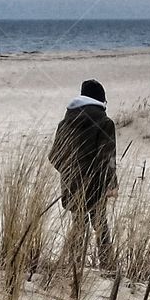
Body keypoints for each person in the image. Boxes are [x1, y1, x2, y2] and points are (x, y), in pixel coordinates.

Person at [49, 79, 118, 274]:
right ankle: (107, 267)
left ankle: (73, 265)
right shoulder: (105, 122)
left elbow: (54, 156)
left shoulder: (66, 122)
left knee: (78, 225)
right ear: (101, 100)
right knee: (101, 226)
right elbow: (108, 158)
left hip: (71, 185)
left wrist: (69, 173)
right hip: (96, 186)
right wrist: (111, 184)